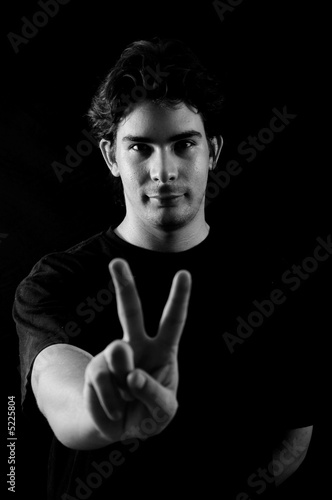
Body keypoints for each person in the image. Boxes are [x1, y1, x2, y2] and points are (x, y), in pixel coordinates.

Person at [13, 38, 313, 499]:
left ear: (211, 151)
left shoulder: (273, 282)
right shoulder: (56, 282)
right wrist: (101, 412)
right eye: (140, 147)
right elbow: (56, 381)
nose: (164, 170)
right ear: (112, 156)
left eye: (182, 144)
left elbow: (296, 431)